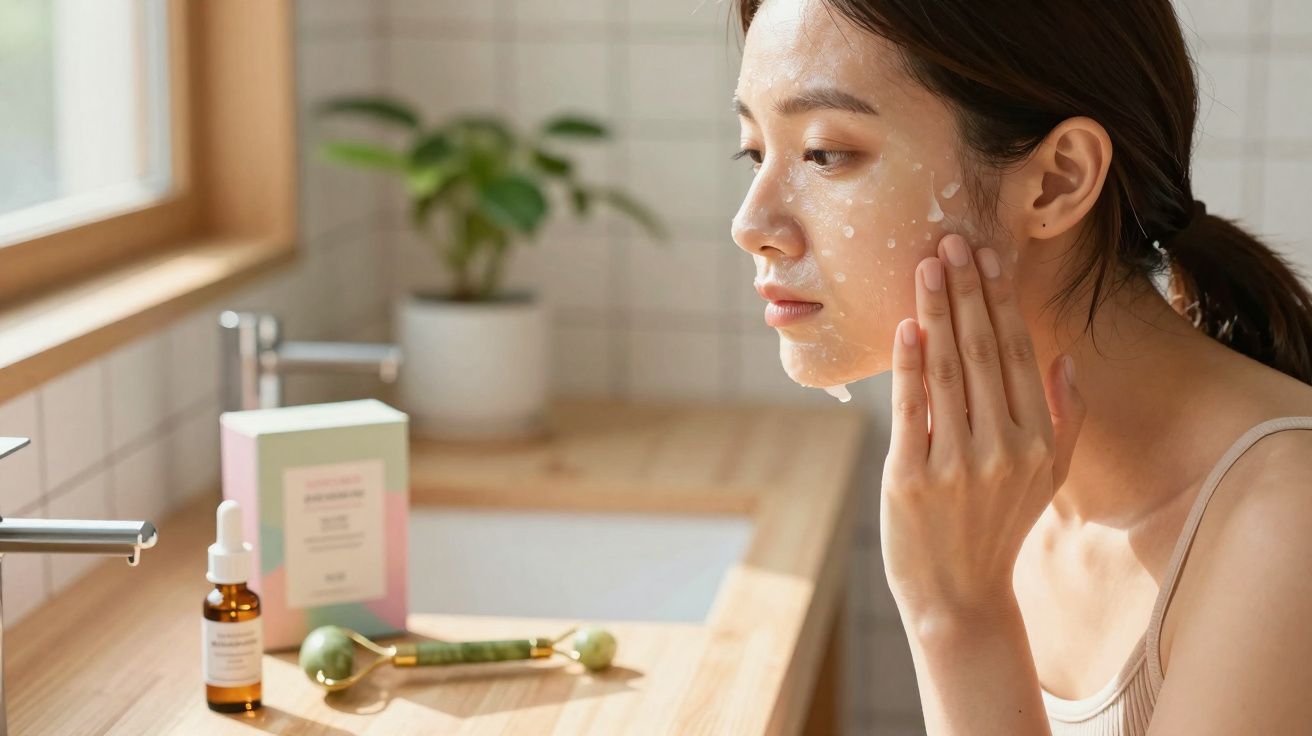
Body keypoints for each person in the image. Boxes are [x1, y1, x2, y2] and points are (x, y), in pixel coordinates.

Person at [729, 0, 1312, 732]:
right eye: (754, 151)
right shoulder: (995, 484)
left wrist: (958, 616)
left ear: (1058, 181)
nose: (752, 226)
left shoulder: (1288, 526)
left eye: (824, 153)